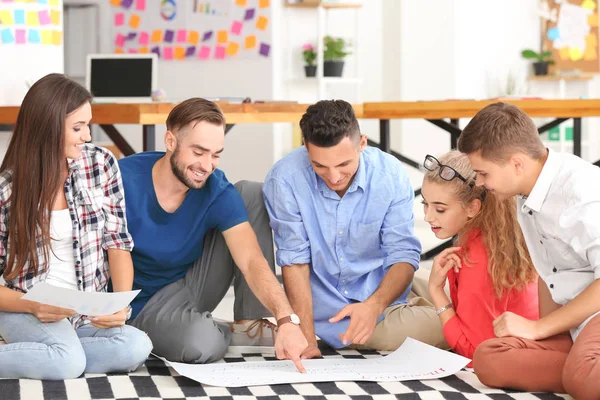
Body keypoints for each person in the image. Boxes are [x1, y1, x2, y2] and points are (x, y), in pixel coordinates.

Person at [119, 97, 307, 370]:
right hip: (139, 303)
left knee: (250, 193)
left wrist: (286, 319)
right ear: (170, 141)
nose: (207, 165)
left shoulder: (215, 188)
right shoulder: (122, 178)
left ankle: (250, 325)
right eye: (198, 152)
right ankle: (206, 329)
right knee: (200, 345)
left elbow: (252, 260)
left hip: (190, 284)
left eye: (215, 154)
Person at [262, 99, 446, 357]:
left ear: (362, 143)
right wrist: (307, 337)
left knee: (483, 299)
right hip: (340, 314)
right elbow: (295, 261)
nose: (334, 177)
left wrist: (375, 304)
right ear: (305, 147)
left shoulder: (389, 172)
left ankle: (413, 304)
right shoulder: (284, 180)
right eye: (320, 166)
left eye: (344, 165)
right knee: (456, 325)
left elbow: (402, 253)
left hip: (388, 286)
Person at [0, 73, 152, 380]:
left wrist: (119, 306)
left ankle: (53, 354)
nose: (87, 136)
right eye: (77, 127)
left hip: (82, 313)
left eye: (88, 125)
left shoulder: (101, 164)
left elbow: (117, 242)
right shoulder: (7, 190)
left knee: (137, 345)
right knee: (67, 363)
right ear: (48, 126)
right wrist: (33, 306)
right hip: (24, 308)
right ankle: (59, 355)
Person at [459, 102, 600, 400]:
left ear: (517, 163)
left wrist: (538, 328)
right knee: (489, 358)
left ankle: (583, 370)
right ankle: (580, 367)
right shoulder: (527, 193)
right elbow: (548, 273)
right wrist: (550, 335)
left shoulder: (581, 194)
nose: (480, 183)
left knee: (584, 378)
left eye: (483, 173)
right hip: (577, 318)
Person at [421, 151, 538, 364]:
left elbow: (474, 352)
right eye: (425, 204)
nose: (427, 216)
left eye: (439, 208)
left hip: (506, 354)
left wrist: (436, 291)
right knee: (411, 276)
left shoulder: (477, 259)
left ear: (473, 207)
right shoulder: (494, 235)